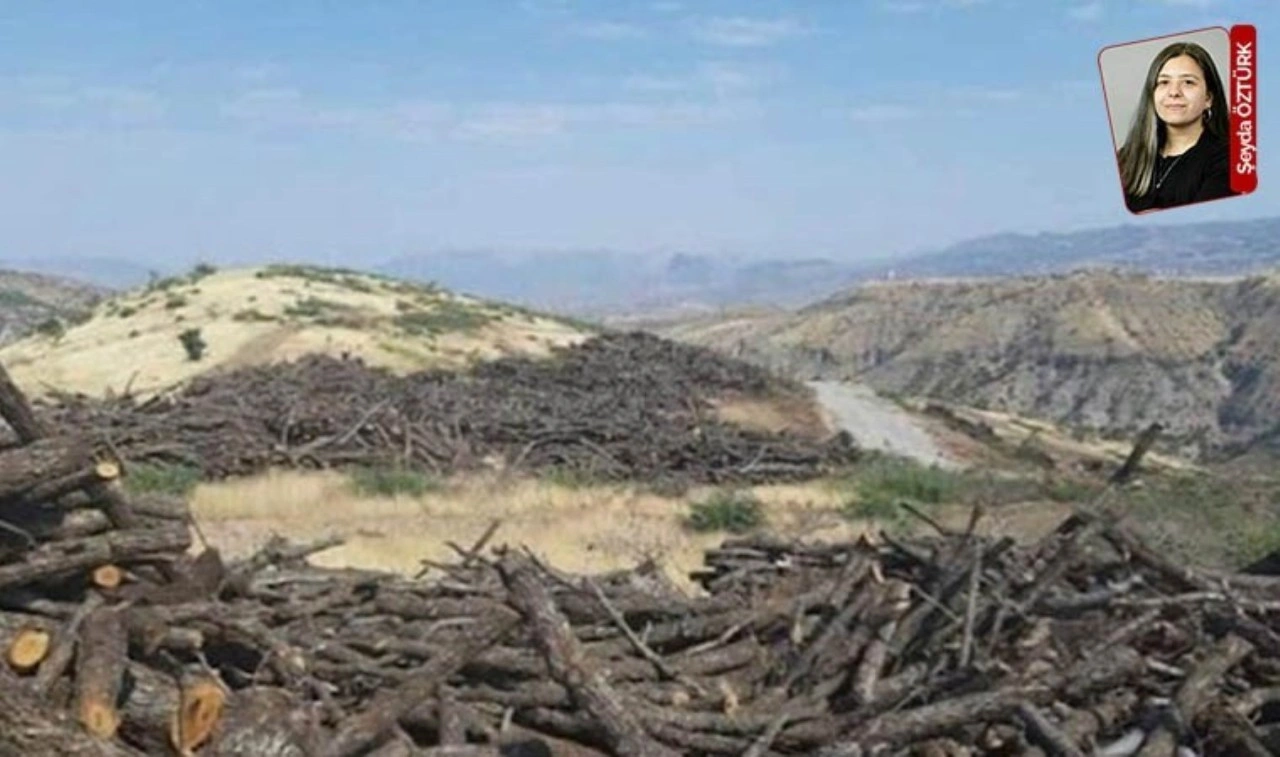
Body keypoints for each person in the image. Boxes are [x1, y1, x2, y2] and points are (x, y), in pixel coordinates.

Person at [1115, 40, 1237, 213]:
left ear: (1208, 98)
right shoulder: (1126, 158)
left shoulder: (1230, 159)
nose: (1174, 92)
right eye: (1164, 82)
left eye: (1188, 82)